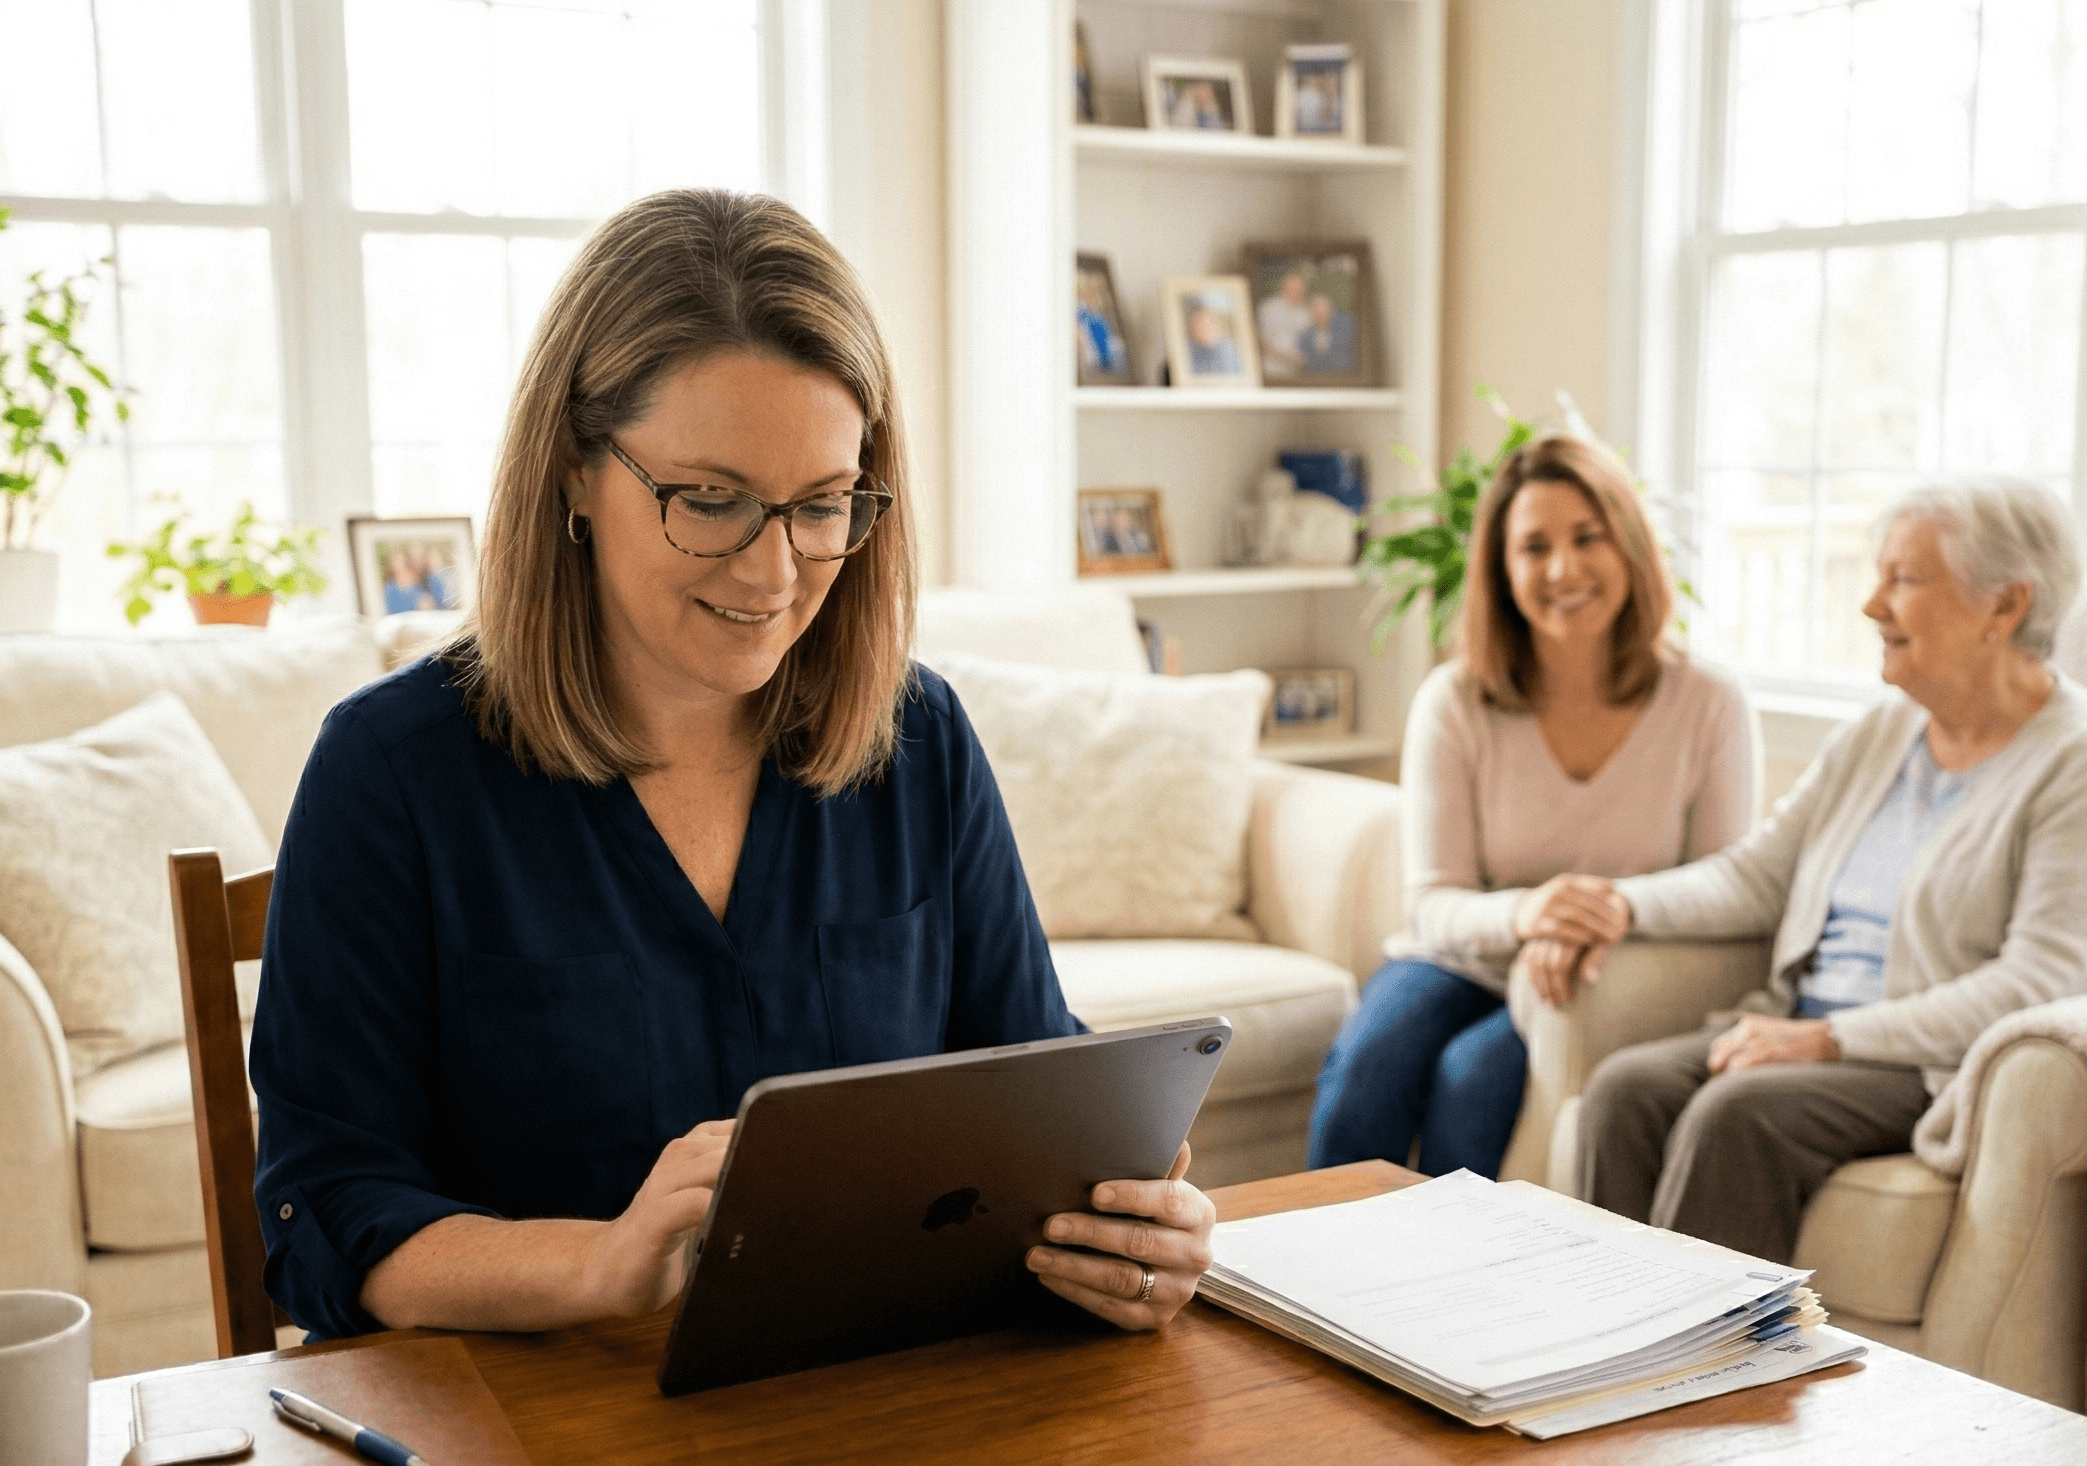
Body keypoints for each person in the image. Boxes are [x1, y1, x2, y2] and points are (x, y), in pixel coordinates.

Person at [251, 189, 1215, 1341]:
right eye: (708, 501)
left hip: (873, 1409)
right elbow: (331, 1214)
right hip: (538, 1430)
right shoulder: (390, 774)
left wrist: (1129, 1227)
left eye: (821, 507)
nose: (771, 574)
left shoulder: (919, 742)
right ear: (571, 469)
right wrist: (602, 1266)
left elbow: (1033, 1084)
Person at [1532, 478, 2087, 1261]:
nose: (1872, 604)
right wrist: (1618, 907)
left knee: (1738, 1113)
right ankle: (1596, 1348)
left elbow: (2040, 985)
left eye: (1902, 579)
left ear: (2003, 607)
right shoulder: (1881, 733)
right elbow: (1758, 877)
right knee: (1626, 1091)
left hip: (1930, 1062)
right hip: (1808, 1026)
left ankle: (1710, 1375)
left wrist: (1828, 1039)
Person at [1305, 433, 1759, 1179]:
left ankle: (1462, 1291)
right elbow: (1432, 905)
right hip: (1461, 958)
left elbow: (1728, 889)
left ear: (1631, 548)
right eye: (1534, 547)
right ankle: (1303, 1281)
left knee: (1473, 1080)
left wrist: (1596, 912)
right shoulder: (1455, 701)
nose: (1563, 569)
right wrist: (1528, 915)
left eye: (1588, 538)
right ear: (1501, 569)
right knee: (1365, 1071)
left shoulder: (1709, 701)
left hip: (1604, 968)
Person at [1256, 270, 1312, 378]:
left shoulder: (1307, 314)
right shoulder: (1269, 307)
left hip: (1296, 373)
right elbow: (1261, 339)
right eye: (1292, 287)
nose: (1295, 290)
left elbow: (1310, 344)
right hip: (1269, 370)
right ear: (1285, 287)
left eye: (1299, 288)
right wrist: (1286, 356)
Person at [1298, 290, 1357, 377]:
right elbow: (1307, 364)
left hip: (1344, 378)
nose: (1320, 312)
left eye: (1324, 307)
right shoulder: (1305, 336)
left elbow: (1343, 358)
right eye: (1316, 309)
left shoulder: (1345, 325)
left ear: (1331, 309)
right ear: (1310, 312)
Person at [1184, 303, 1240, 376]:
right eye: (1197, 324)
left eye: (1205, 323)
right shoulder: (1186, 351)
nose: (1202, 328)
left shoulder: (1229, 350)